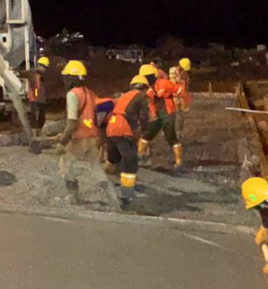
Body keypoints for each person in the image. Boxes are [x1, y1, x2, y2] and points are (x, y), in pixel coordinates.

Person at [53, 60, 110, 205]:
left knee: (66, 166)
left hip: (79, 138)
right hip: (91, 137)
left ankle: (73, 198)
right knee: (96, 169)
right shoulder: (89, 93)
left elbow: (72, 122)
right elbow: (95, 116)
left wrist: (63, 142)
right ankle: (113, 199)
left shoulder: (72, 94)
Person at [103, 75, 150, 208]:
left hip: (111, 127)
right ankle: (125, 196)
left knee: (113, 159)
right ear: (145, 88)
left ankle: (101, 181)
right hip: (124, 129)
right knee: (130, 162)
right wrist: (143, 130)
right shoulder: (142, 96)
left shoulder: (124, 96)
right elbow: (143, 117)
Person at [137, 64, 184, 169]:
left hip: (167, 113)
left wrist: (173, 95)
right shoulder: (149, 88)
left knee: (170, 137)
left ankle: (179, 162)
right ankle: (139, 156)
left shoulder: (163, 84)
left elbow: (179, 90)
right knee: (147, 135)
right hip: (158, 115)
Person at [28, 56, 50, 141]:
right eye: (43, 67)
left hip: (42, 100)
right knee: (35, 117)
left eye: (45, 68)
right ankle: (33, 136)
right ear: (39, 65)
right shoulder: (32, 73)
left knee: (42, 118)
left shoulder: (43, 76)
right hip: (35, 99)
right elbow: (23, 73)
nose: (44, 69)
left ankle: (39, 134)